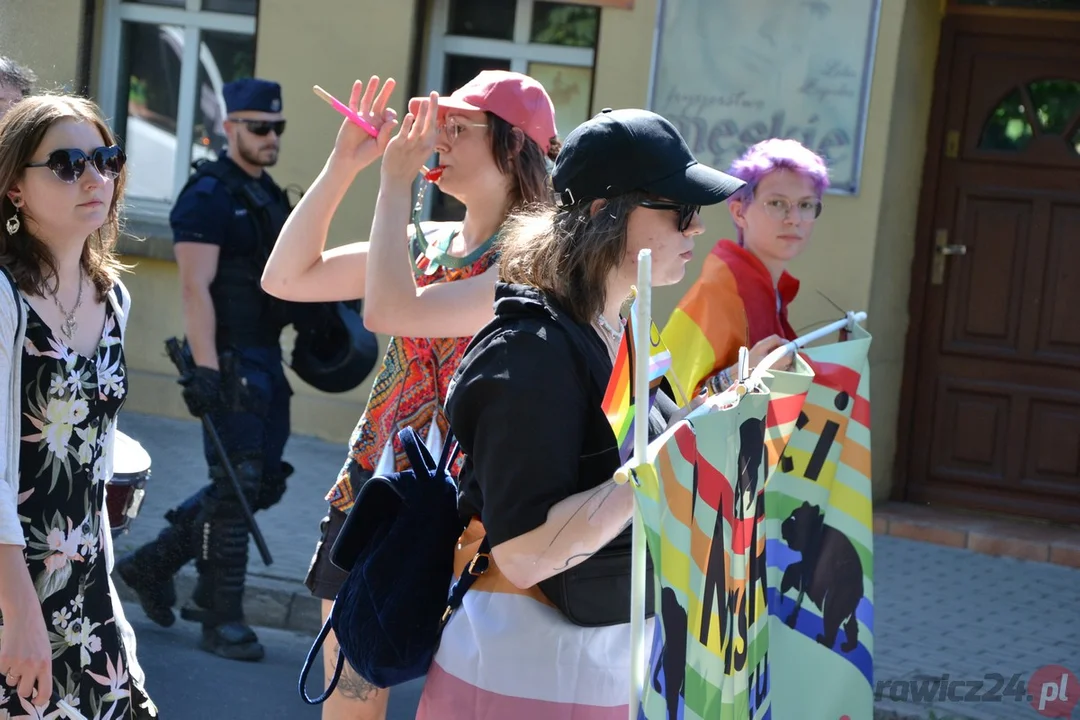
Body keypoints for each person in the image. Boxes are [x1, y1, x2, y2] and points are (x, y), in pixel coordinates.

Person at [414, 108, 745, 718]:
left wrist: (726, 402)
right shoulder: (529, 351)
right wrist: (662, 465)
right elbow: (524, 553)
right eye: (680, 211)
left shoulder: (623, 324)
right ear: (603, 213)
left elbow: (639, 445)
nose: (696, 230)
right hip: (524, 675)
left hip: (596, 665)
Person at [261, 70, 559, 719]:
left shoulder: (530, 270)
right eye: (437, 122)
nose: (436, 138)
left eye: (457, 126)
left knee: (461, 705)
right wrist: (345, 164)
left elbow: (388, 311)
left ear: (513, 148)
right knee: (352, 698)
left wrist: (394, 183)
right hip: (374, 498)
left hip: (469, 523)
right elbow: (285, 275)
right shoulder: (429, 244)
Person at [117, 78, 297, 662]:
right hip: (229, 359)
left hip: (266, 356)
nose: (270, 137)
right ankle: (222, 619)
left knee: (257, 484)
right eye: (258, 127)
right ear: (229, 128)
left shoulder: (266, 193)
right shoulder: (208, 194)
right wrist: (204, 371)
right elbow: (195, 289)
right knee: (238, 487)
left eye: (277, 127)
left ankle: (154, 562)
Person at [0, 94, 157, 718]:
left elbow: (89, 478)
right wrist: (19, 615)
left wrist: (108, 608)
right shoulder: (5, 302)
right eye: (66, 164)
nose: (95, 178)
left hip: (83, 590)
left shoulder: (112, 297)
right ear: (14, 186)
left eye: (106, 159)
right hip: (12, 591)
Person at [663, 138, 830, 399]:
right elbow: (670, 404)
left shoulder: (771, 290)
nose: (794, 219)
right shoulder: (718, 292)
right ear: (739, 212)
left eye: (806, 205)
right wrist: (743, 372)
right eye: (777, 203)